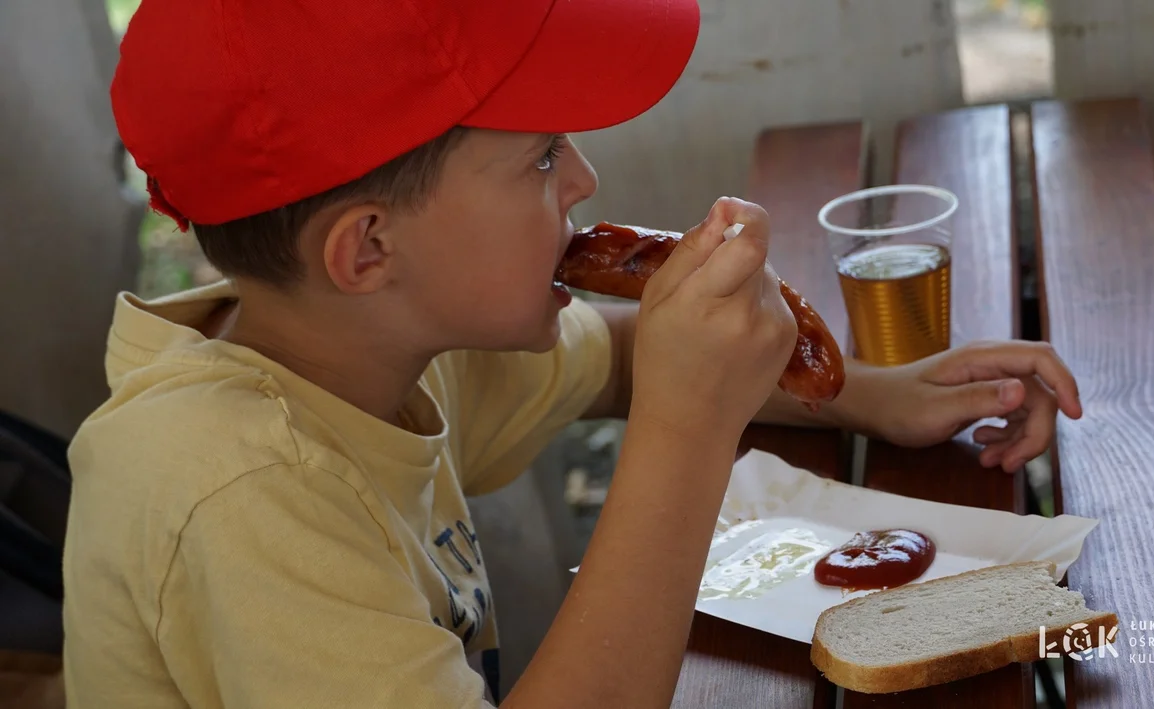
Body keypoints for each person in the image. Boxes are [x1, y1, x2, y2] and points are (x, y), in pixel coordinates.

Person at [61, 1, 1083, 707]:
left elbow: (617, 356)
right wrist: (687, 428)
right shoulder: (237, 490)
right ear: (369, 248)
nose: (586, 178)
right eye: (541, 156)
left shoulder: (375, 346)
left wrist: (871, 395)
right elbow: (665, 397)